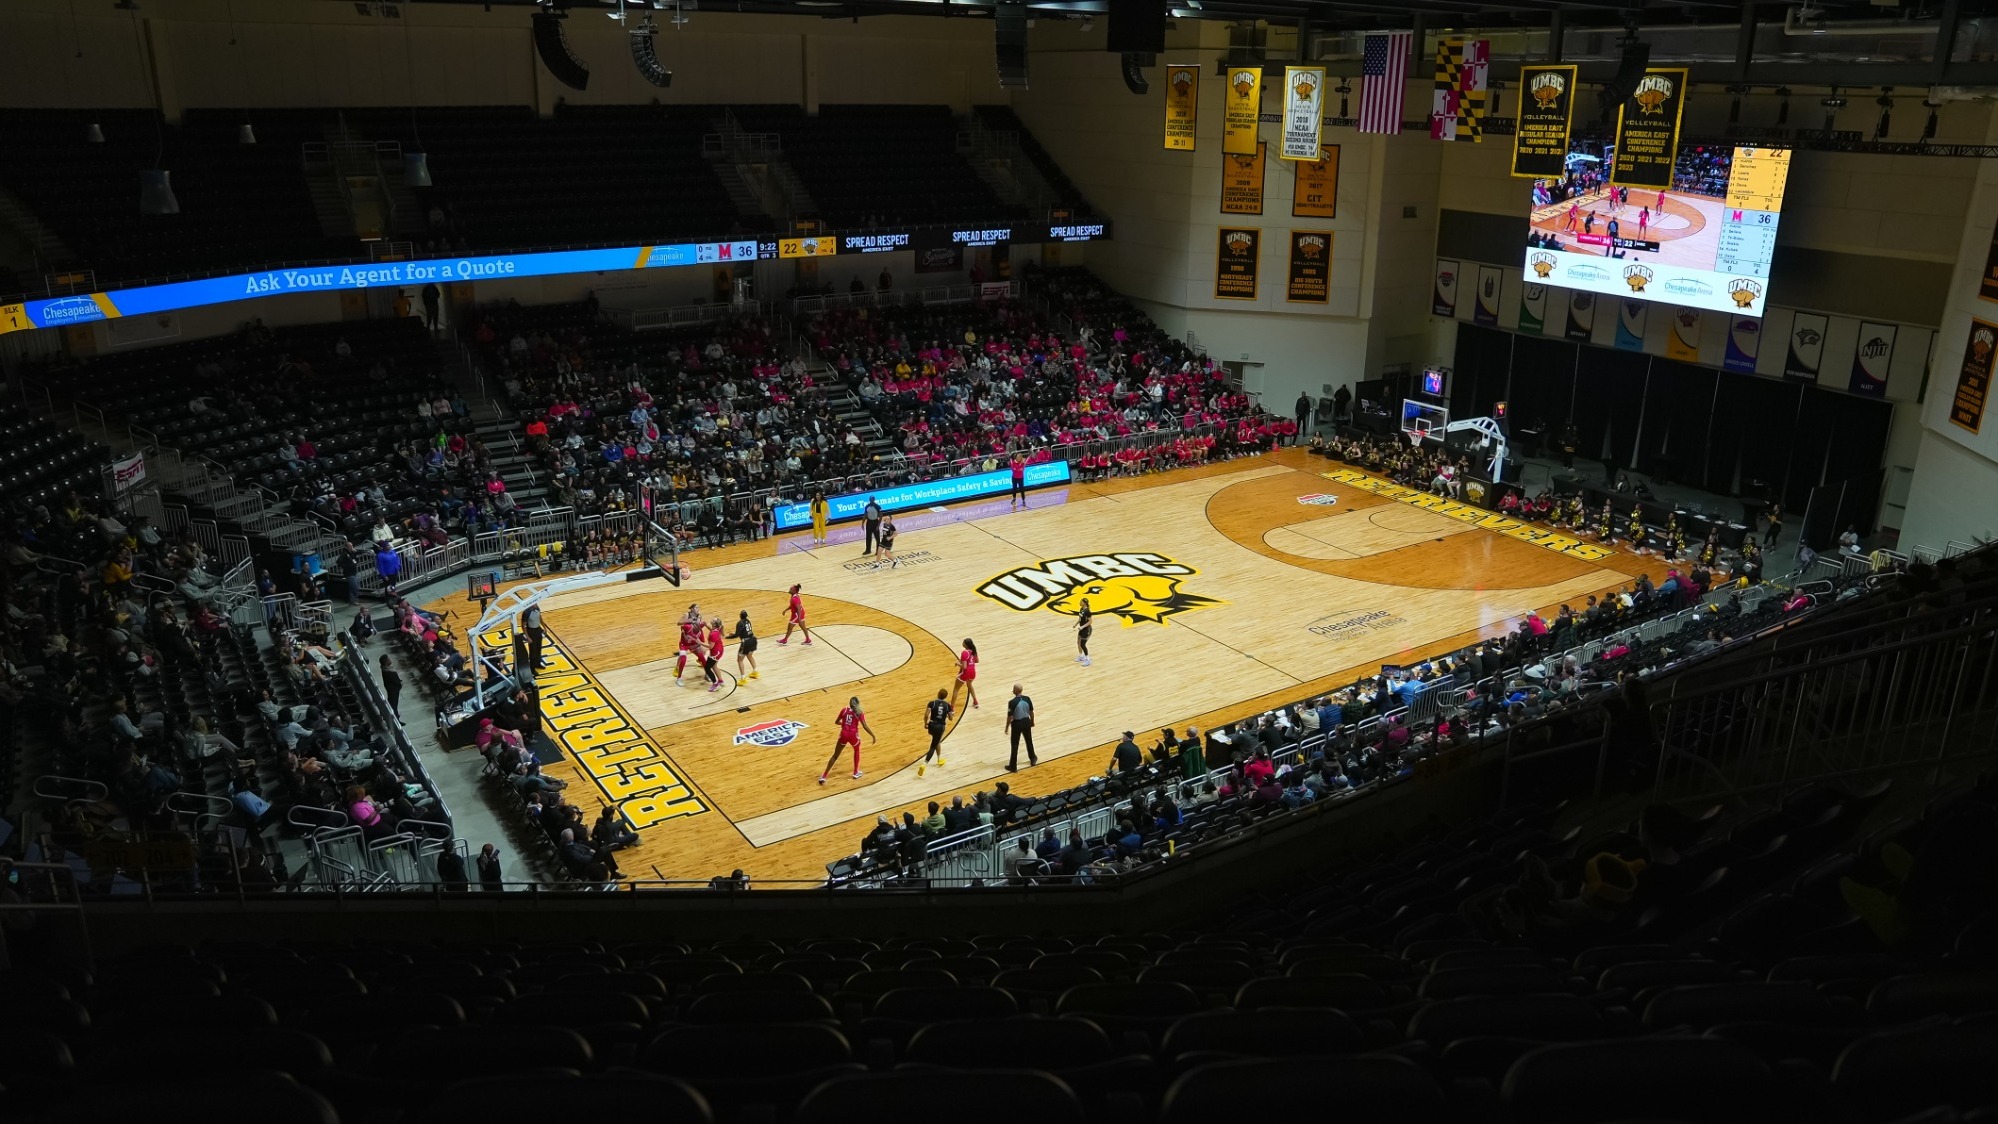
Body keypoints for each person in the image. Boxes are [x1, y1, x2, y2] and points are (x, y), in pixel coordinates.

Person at [818, 695, 876, 783]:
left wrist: (844, 724)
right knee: (856, 750)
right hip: (853, 736)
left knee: (835, 756)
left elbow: (836, 722)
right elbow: (864, 726)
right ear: (858, 704)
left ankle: (824, 776)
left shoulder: (844, 710)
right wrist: (873, 735)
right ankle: (856, 772)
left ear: (849, 703)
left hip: (843, 735)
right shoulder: (859, 713)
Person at [919, 688, 952, 777]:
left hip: (931, 725)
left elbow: (926, 715)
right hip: (940, 726)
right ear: (945, 697)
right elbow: (951, 718)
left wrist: (925, 723)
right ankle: (924, 764)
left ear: (938, 694)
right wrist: (951, 713)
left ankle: (939, 759)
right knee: (933, 746)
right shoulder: (947, 705)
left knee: (937, 741)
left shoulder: (932, 703)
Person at [1005, 682, 1037, 772]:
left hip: (1017, 724)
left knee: (1015, 745)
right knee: (1029, 741)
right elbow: (1031, 712)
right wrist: (1032, 721)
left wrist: (1007, 727)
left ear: (1015, 690)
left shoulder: (1012, 702)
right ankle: (1033, 759)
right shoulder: (1027, 699)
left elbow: (1010, 717)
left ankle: (1013, 766)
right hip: (1026, 721)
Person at [673, 602, 704, 678]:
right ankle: (677, 668)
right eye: (696, 607)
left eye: (698, 608)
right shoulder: (687, 615)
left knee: (702, 651)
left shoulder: (699, 616)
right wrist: (688, 621)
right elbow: (678, 623)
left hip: (694, 638)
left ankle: (700, 660)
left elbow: (699, 626)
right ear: (692, 609)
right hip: (686, 637)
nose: (698, 609)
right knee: (682, 655)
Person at [950, 638, 980, 711]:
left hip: (965, 672)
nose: (962, 643)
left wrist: (957, 663)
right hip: (973, 672)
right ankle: (975, 701)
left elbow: (964, 667)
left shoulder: (964, 652)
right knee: (969, 685)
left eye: (963, 642)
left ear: (966, 644)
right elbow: (977, 661)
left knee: (956, 690)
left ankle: (951, 708)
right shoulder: (973, 651)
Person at [731, 610, 760, 680]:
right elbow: (745, 632)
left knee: (740, 660)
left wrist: (729, 637)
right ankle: (755, 671)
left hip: (746, 642)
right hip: (753, 639)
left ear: (740, 616)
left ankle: (743, 678)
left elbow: (737, 635)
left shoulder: (739, 623)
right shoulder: (748, 621)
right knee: (750, 656)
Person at [702, 617, 726, 692]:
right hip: (719, 650)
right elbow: (711, 630)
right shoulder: (715, 629)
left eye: (713, 620)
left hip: (715, 652)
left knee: (707, 668)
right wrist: (706, 625)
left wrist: (700, 643)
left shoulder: (714, 634)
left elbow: (710, 646)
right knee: (714, 665)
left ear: (715, 624)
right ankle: (721, 680)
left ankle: (715, 684)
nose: (711, 620)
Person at [522, 602, 545, 670]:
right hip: (531, 631)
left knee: (538, 648)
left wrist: (544, 627)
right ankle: (532, 668)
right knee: (533, 651)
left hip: (538, 630)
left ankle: (538, 664)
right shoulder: (526, 612)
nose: (536, 604)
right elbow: (523, 625)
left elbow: (540, 618)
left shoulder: (537, 608)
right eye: (535, 603)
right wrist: (528, 637)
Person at [378, 654, 402, 721]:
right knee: (393, 706)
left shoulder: (387, 669)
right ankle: (396, 720)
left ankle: (397, 718)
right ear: (386, 662)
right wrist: (400, 683)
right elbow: (395, 680)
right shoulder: (388, 672)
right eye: (389, 659)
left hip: (393, 690)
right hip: (393, 691)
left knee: (394, 705)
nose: (391, 660)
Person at [1074, 597, 1094, 666]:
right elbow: (1080, 619)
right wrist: (1076, 624)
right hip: (1081, 629)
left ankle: (1088, 659)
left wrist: (1082, 627)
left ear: (1084, 603)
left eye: (1081, 601)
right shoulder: (1081, 609)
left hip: (1087, 630)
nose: (1079, 602)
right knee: (1078, 642)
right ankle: (1081, 656)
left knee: (1083, 644)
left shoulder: (1087, 611)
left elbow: (1090, 621)